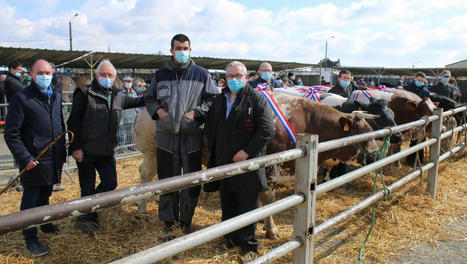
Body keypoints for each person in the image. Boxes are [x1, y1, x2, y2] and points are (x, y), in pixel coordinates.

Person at [145, 34, 219, 237]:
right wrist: (159, 112)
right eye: (178, 48)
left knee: (190, 182)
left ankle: (186, 221)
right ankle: (168, 222)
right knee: (167, 181)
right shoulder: (161, 74)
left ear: (190, 50)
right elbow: (149, 98)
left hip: (191, 136)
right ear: (171, 50)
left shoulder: (201, 74)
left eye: (185, 48)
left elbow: (213, 99)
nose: (182, 52)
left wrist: (196, 113)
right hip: (166, 137)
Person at [67, 59, 144, 234]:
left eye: (110, 75)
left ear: (114, 77)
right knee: (87, 187)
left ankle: (89, 209)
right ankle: (86, 219)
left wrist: (156, 96)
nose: (107, 78)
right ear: (97, 75)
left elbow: (138, 102)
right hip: (86, 151)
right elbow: (73, 122)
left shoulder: (118, 96)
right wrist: (75, 148)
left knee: (110, 182)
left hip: (106, 152)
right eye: (104, 75)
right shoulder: (85, 93)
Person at [206, 61, 274, 257]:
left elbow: (267, 129)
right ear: (225, 79)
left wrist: (247, 151)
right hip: (224, 162)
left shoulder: (256, 99)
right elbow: (212, 124)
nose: (234, 80)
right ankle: (229, 239)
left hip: (246, 164)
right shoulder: (220, 99)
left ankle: (249, 245)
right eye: (230, 76)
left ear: (246, 77)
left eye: (238, 76)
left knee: (247, 204)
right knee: (227, 202)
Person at [4, 59, 66, 257]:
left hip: (52, 158)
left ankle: (45, 224)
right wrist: (25, 157)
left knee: (45, 194)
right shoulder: (22, 98)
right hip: (33, 160)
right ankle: (30, 238)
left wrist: (62, 153)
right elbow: (11, 133)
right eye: (40, 72)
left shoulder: (56, 95)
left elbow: (60, 124)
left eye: (48, 72)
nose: (45, 76)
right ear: (31, 74)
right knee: (30, 200)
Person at [117, 76, 138, 151]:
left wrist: (137, 114)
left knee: (131, 134)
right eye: (127, 81)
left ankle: (131, 146)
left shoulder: (133, 92)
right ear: (123, 82)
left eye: (130, 82)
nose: (128, 83)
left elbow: (136, 103)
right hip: (123, 118)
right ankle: (121, 149)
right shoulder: (120, 92)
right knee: (121, 135)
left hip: (132, 117)